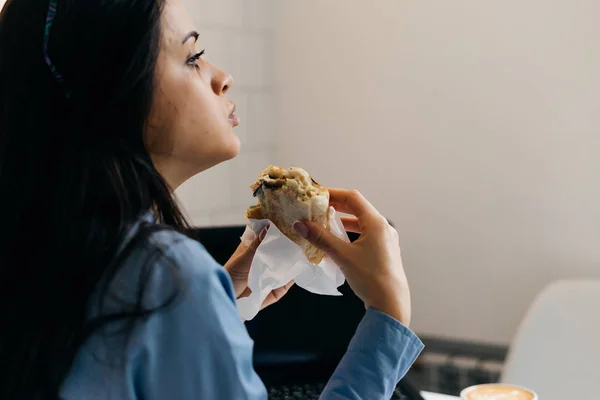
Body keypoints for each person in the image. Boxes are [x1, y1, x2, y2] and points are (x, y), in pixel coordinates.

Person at [0, 0, 424, 399]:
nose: (222, 77)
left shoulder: (47, 255)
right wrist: (387, 318)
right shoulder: (165, 276)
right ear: (115, 90)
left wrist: (217, 295)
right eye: (192, 57)